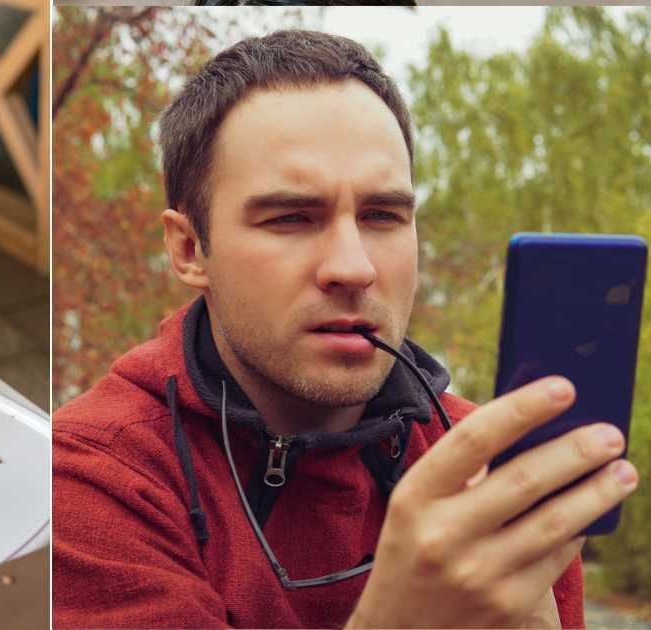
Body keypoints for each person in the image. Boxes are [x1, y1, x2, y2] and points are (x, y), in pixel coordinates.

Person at [52, 30, 638, 628]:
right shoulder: (90, 479)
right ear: (188, 248)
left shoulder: (489, 474)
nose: (353, 267)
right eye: (290, 217)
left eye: (382, 215)